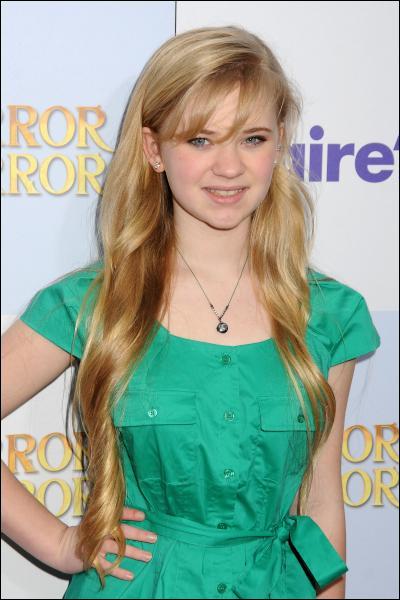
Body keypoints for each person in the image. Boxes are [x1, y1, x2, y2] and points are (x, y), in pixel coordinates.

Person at [1, 25, 381, 600]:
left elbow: (322, 500)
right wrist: (59, 543)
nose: (229, 167)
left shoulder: (330, 315)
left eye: (252, 138)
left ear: (279, 144)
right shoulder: (91, 303)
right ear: (154, 150)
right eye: (201, 140)